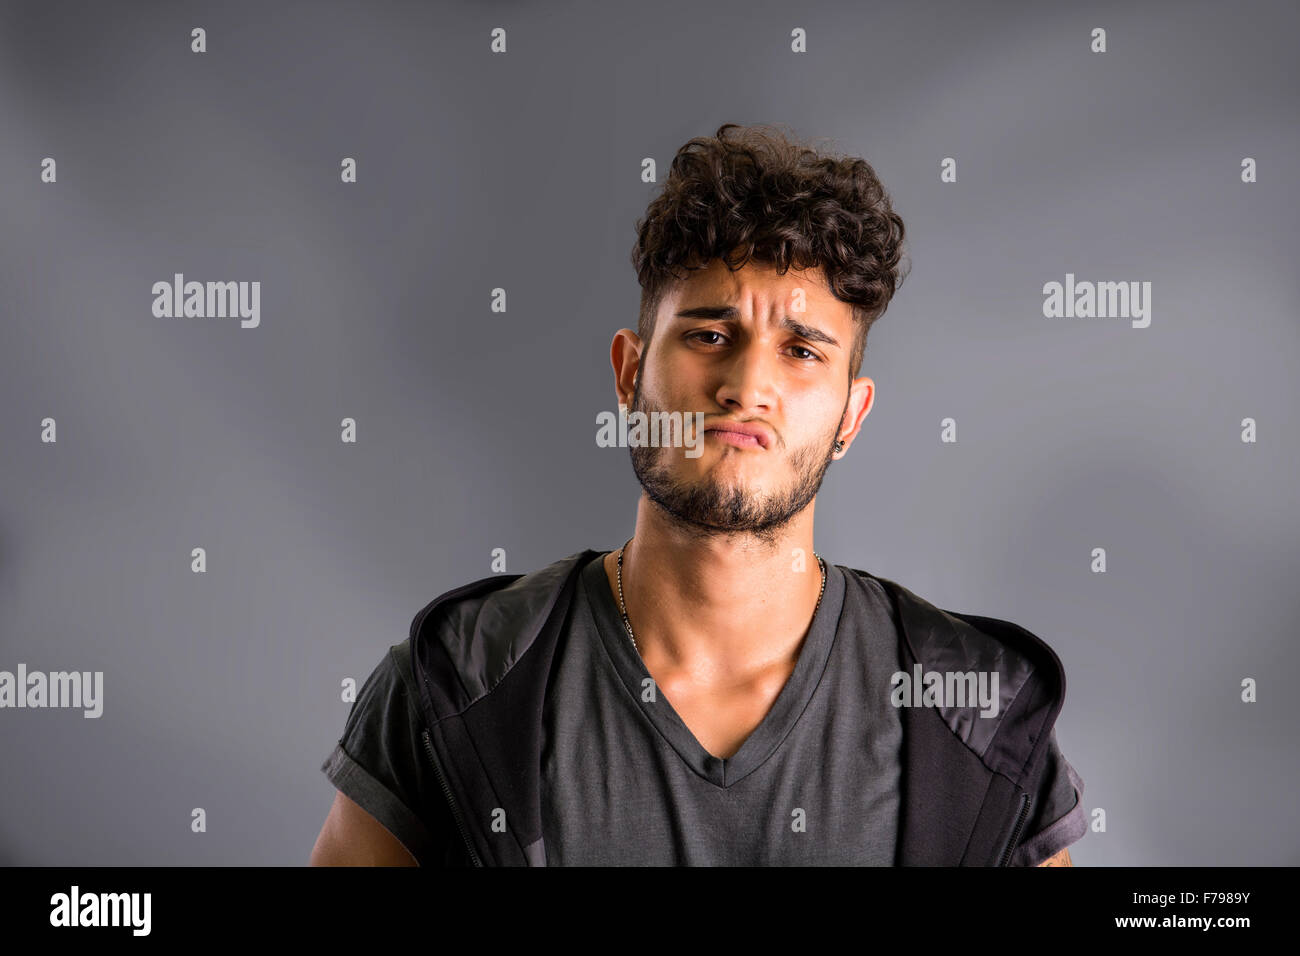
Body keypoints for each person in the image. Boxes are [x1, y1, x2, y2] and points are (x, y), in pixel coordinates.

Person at [309, 123, 1086, 867]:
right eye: (710, 335)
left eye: (802, 351)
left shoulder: (974, 713)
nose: (747, 386)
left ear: (852, 415)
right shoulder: (459, 682)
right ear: (628, 374)